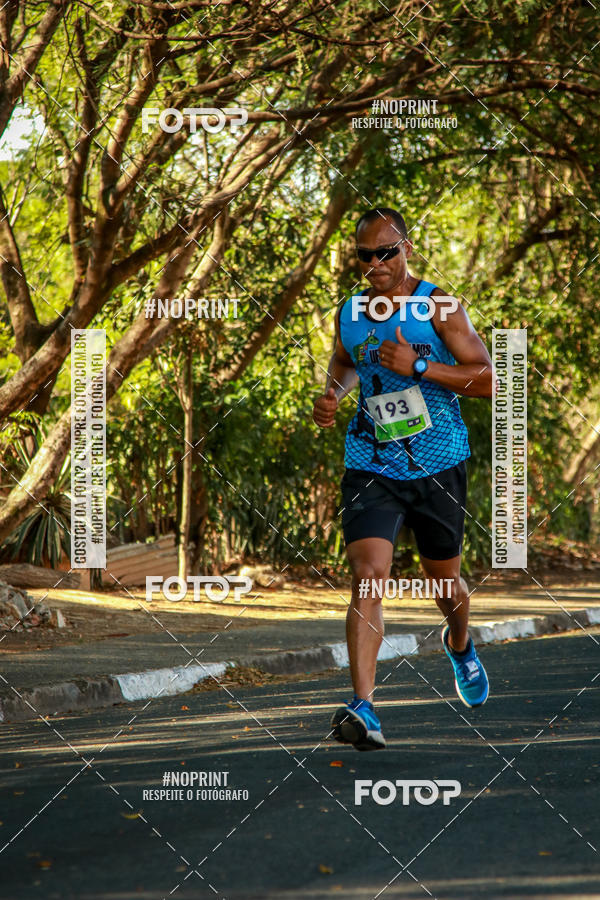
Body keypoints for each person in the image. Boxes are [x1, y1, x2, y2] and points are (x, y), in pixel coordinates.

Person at [312, 207, 493, 751]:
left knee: (445, 584)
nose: (375, 264)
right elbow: (344, 362)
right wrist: (333, 395)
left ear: (406, 248)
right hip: (372, 462)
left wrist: (419, 367)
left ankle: (459, 644)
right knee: (368, 574)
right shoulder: (349, 311)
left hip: (438, 464)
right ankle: (364, 707)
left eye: (385, 252)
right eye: (364, 255)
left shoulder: (438, 306)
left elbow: (487, 377)